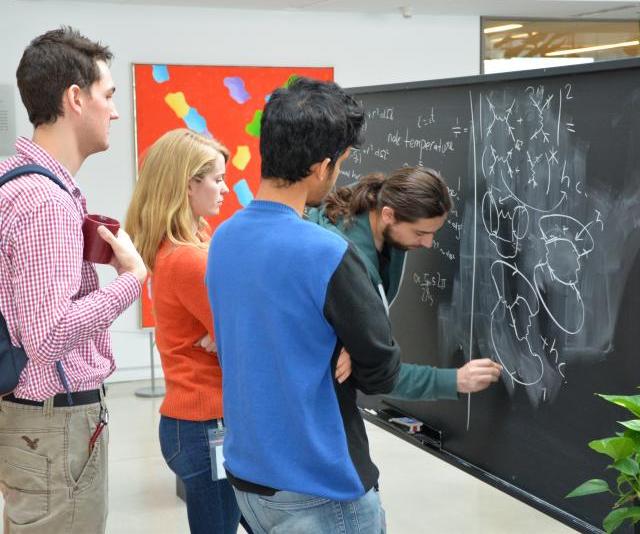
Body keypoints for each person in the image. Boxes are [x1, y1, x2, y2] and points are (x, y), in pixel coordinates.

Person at [125, 128, 351, 534]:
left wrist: (225, 335)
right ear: (187, 185)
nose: (226, 189)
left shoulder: (189, 245)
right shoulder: (189, 258)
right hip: (205, 423)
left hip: (197, 421)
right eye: (217, 179)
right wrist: (232, 333)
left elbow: (229, 332)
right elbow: (248, 337)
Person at [206, 77, 399, 534]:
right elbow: (382, 368)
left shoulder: (224, 238)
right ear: (321, 167)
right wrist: (348, 343)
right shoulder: (326, 253)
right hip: (320, 490)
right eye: (339, 166)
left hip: (249, 481)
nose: (338, 177)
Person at [0, 27, 146, 534]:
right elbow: (48, 336)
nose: (115, 110)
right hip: (53, 422)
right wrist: (131, 279)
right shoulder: (47, 202)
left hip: (27, 416)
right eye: (108, 96)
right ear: (75, 99)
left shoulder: (11, 179)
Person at [307, 167, 503, 399]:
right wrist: (455, 381)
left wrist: (354, 339)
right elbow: (379, 372)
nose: (428, 243)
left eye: (432, 233)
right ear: (389, 214)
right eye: (420, 233)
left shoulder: (370, 208)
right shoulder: (349, 266)